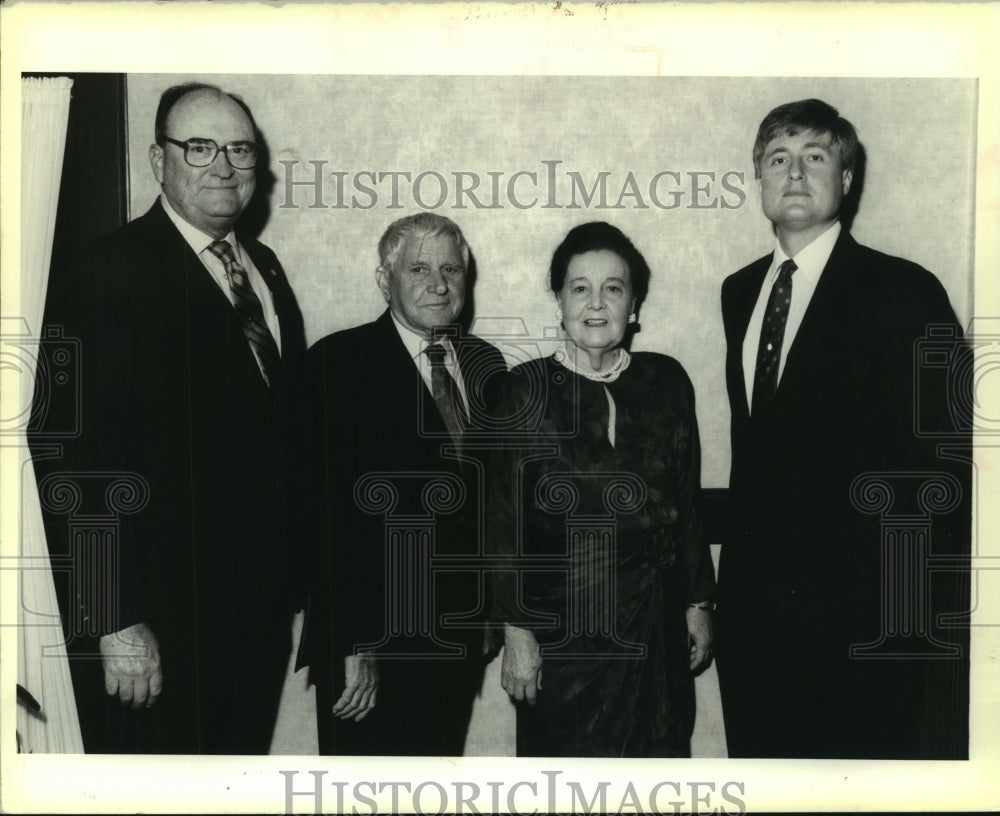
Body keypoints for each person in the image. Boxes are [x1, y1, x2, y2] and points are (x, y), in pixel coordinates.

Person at [29, 83, 306, 754]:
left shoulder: (261, 268)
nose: (223, 166)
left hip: (254, 616)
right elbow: (73, 455)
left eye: (240, 149)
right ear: (159, 161)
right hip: (159, 623)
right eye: (200, 146)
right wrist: (113, 617)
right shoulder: (110, 273)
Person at [716, 98, 970, 759]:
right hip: (754, 622)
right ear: (759, 179)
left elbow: (953, 457)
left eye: (816, 157)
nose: (794, 173)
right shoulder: (738, 292)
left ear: (847, 179)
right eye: (779, 159)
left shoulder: (902, 290)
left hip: (862, 630)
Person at [490, 221, 715, 757]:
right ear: (559, 300)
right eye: (579, 287)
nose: (596, 304)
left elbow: (685, 503)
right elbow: (501, 522)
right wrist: (516, 631)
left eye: (613, 288)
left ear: (633, 305)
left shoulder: (667, 382)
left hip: (656, 629)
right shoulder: (523, 390)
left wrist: (699, 601)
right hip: (565, 633)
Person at [303, 212, 508, 755]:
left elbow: (491, 502)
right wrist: (351, 643)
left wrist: (493, 613)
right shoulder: (336, 364)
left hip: (456, 642)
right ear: (383, 280)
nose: (439, 284)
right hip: (372, 649)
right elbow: (320, 518)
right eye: (418, 268)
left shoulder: (486, 365)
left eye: (451, 269)